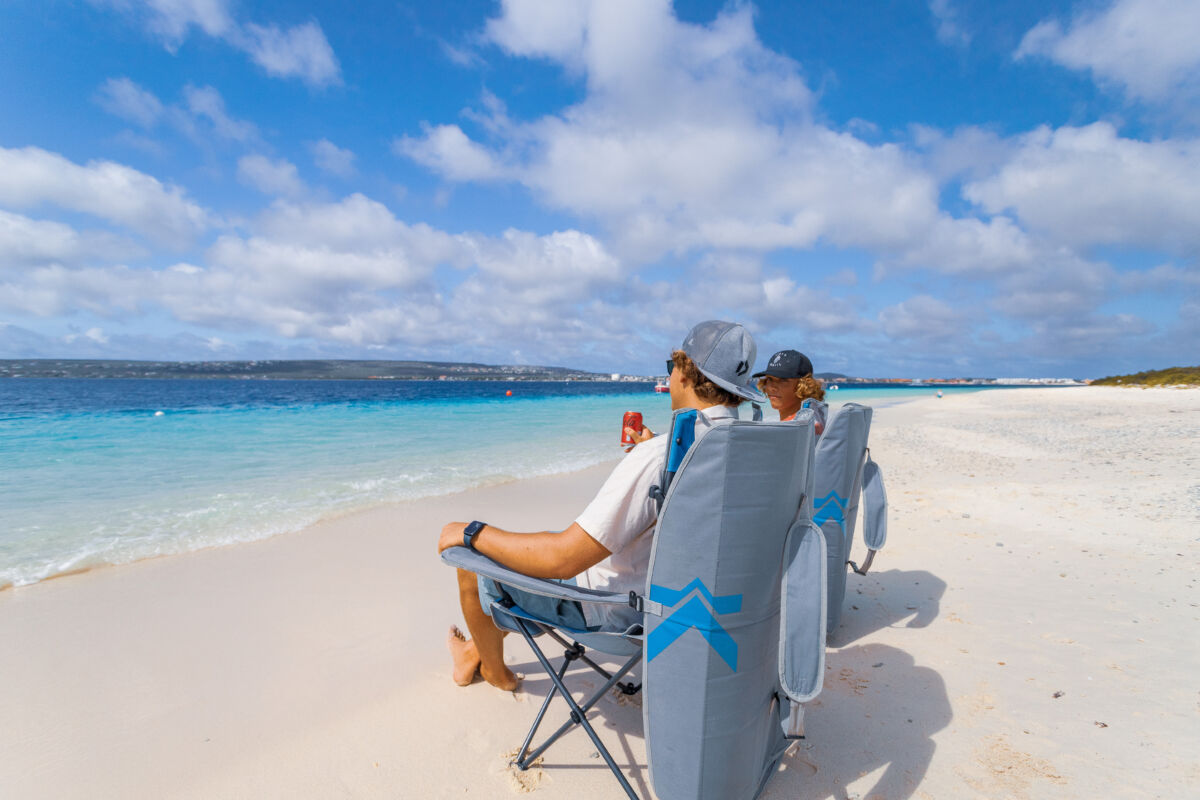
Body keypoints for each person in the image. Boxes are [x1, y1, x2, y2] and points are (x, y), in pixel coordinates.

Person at [439, 320, 767, 691]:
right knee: (533, 543)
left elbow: (563, 559)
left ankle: (493, 672)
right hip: (696, 608)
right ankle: (475, 652)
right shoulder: (746, 448)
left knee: (472, 559)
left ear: (684, 374)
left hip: (618, 612)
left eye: (670, 367)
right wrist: (654, 447)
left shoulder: (658, 459)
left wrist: (469, 531)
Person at [753, 349, 827, 434]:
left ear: (804, 386)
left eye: (783, 380)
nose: (772, 387)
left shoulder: (806, 427)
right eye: (770, 379)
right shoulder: (804, 421)